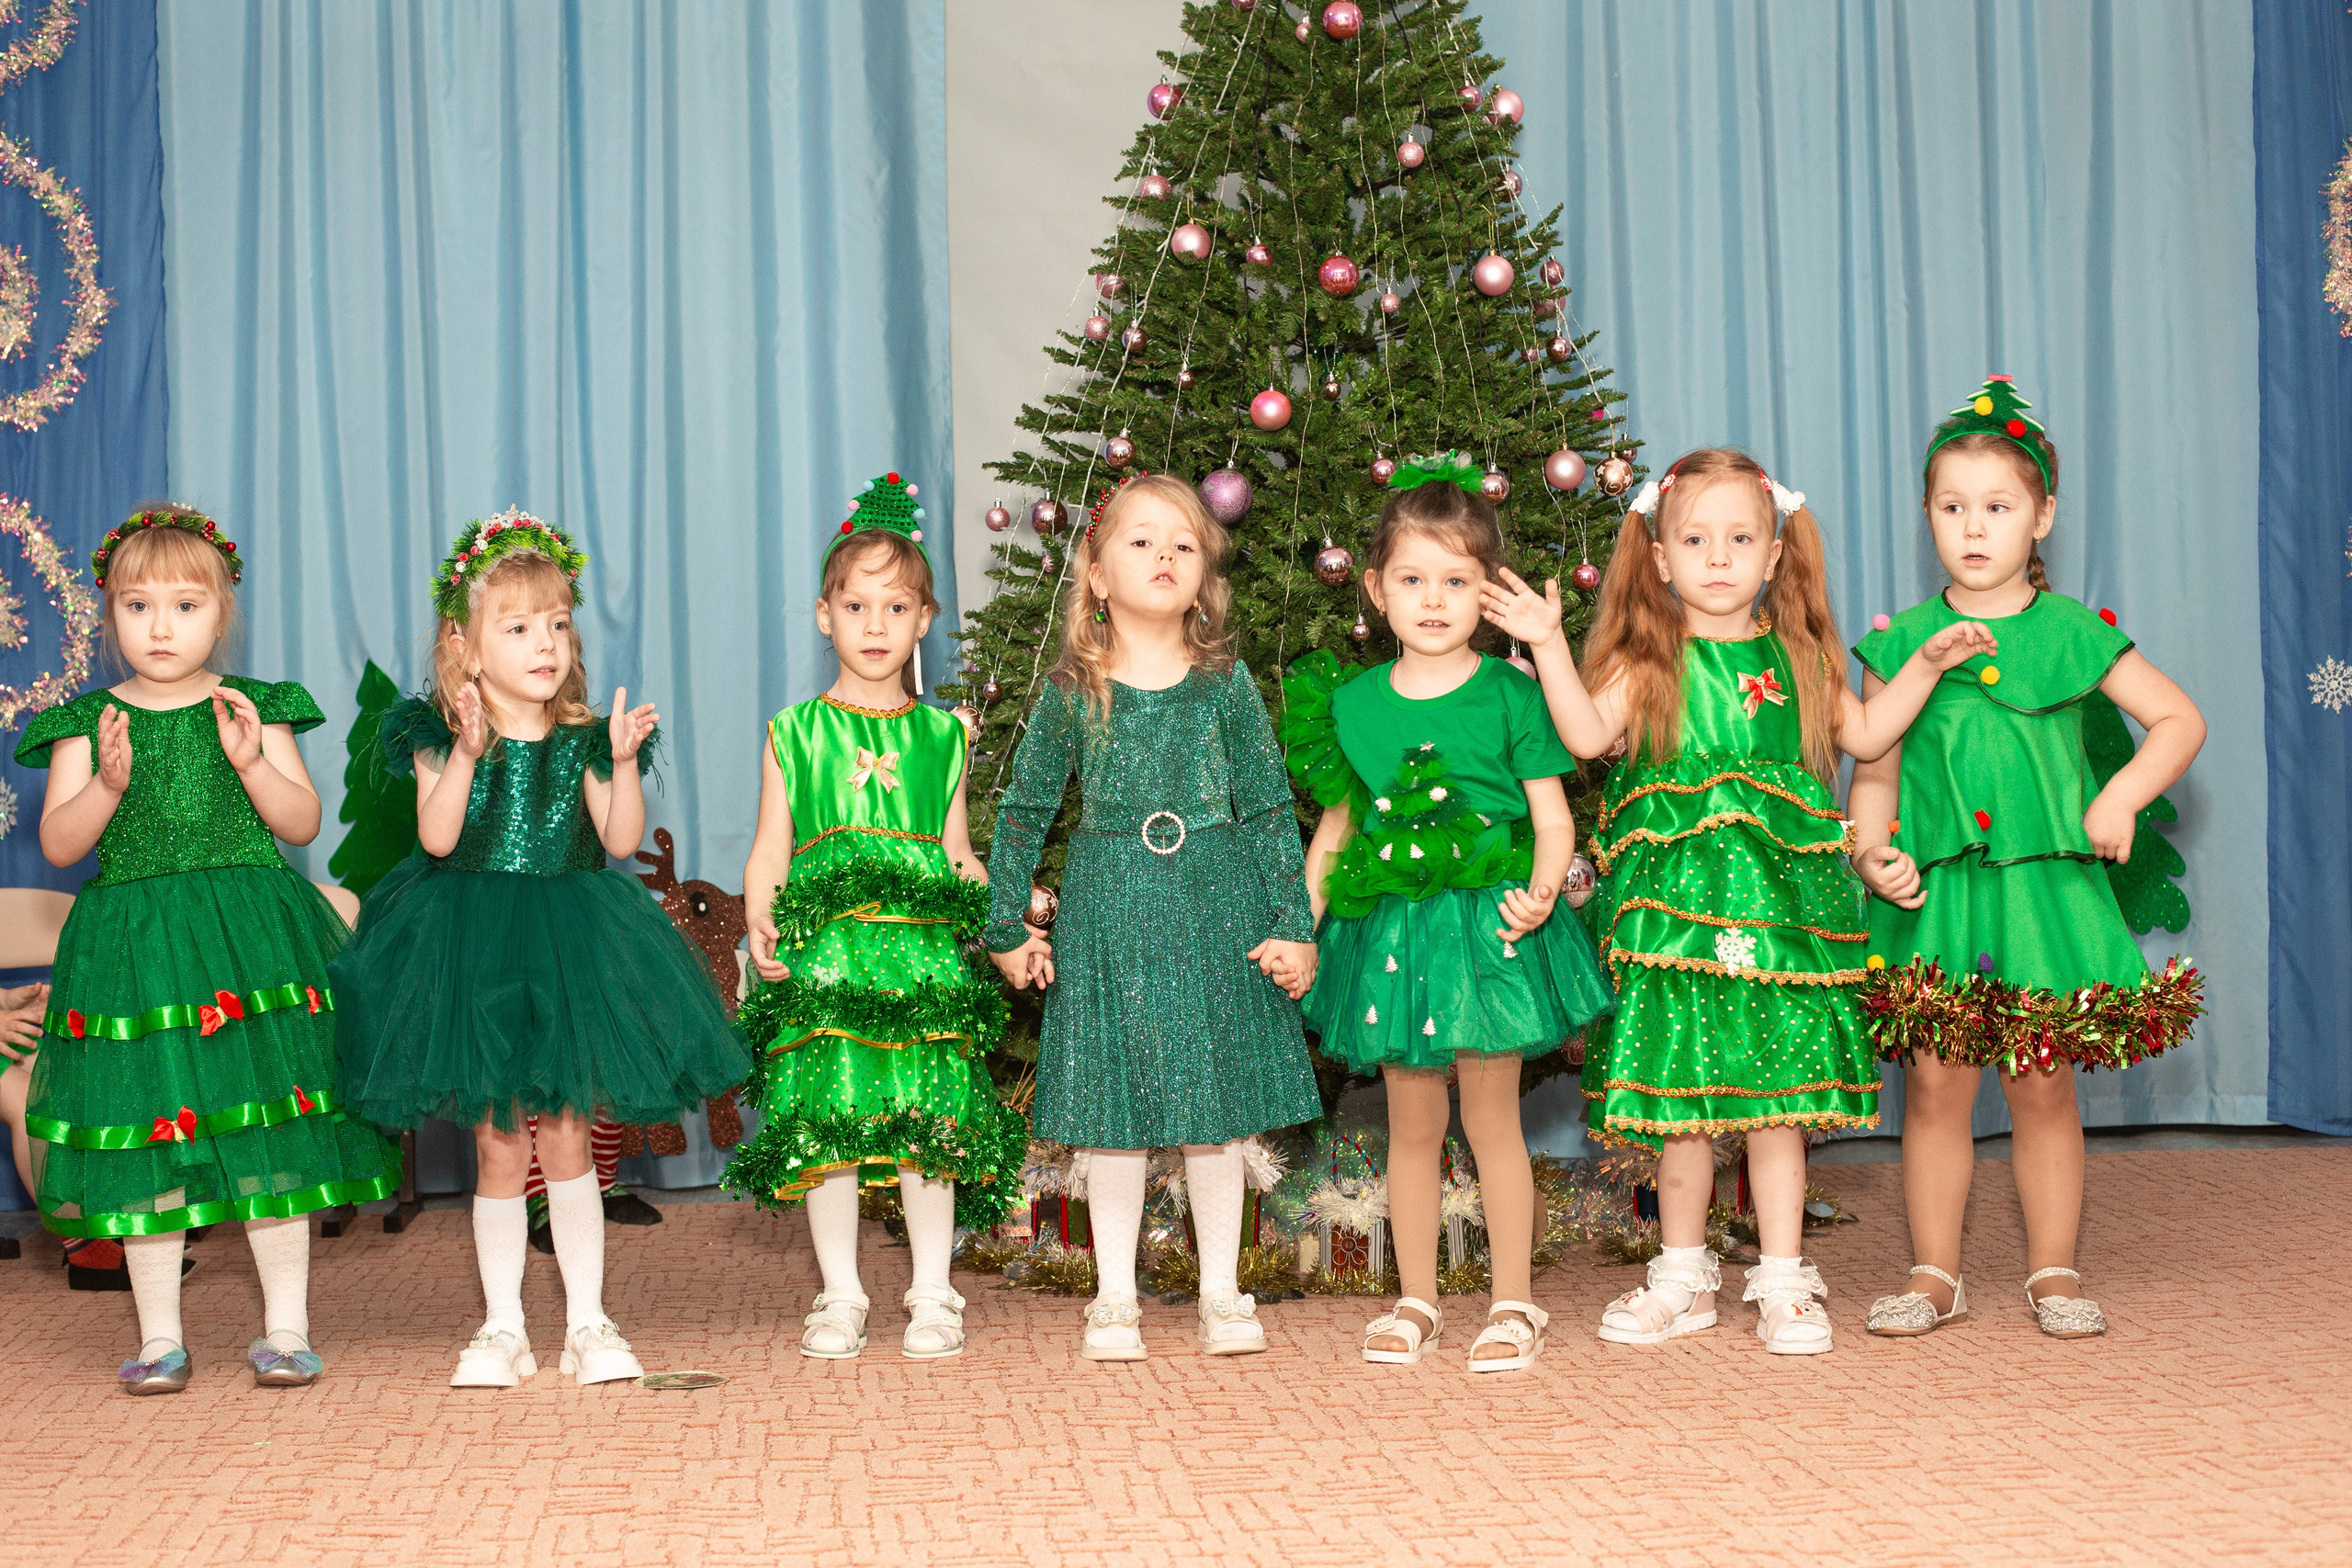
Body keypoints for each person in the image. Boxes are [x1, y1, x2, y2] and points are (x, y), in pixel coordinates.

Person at [1485, 448, 1992, 1354]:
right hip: (1674, 923)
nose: (1717, 557)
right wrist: (1548, 642)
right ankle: (1682, 1275)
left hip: (1778, 920)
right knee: (1682, 1106)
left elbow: (1870, 731)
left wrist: (1928, 662)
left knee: (1771, 1104)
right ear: (1660, 557)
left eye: (1739, 538)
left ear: (1772, 556)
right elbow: (1583, 733)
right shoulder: (1647, 661)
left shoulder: (1796, 658)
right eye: (1694, 539)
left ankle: (1785, 1280)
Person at [332, 509, 748, 1388]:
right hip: (472, 950)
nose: (545, 643)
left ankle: (590, 1322)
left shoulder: (585, 740)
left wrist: (626, 762)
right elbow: (439, 839)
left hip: (569, 943)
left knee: (566, 1133)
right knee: (496, 1145)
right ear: (468, 647)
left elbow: (622, 836)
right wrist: (469, 757)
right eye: (518, 627)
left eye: (557, 624)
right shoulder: (439, 737)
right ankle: (502, 1326)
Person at [1851, 378, 2205, 1340]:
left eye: (1997, 508)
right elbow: (1873, 771)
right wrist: (1871, 845)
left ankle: (2052, 1270)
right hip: (1943, 897)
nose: (1973, 528)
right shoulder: (1905, 644)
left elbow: (2178, 720)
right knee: (1932, 1081)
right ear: (1926, 515)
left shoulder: (2074, 634)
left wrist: (2119, 793)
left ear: (2040, 515)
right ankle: (1934, 1273)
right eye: (1952, 508)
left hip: (2042, 895)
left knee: (2042, 1078)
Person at [14, 506, 396, 1393]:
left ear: (222, 615)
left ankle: (288, 1327)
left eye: (185, 606)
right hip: (135, 949)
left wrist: (255, 761)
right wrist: (109, 785)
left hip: (247, 942)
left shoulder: (253, 707)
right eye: (137, 606)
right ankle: (158, 1337)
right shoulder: (88, 720)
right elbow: (63, 843)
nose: (160, 625)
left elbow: (299, 820)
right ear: (109, 616)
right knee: (151, 1128)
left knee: (270, 1121)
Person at [1282, 457, 1614, 1371]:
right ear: (1378, 589)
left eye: (1457, 581)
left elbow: (1554, 818)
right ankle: (1417, 1298)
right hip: (1390, 936)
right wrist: (1300, 925)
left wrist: (1544, 891)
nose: (1434, 600)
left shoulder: (1510, 693)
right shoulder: (1351, 706)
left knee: (1492, 1119)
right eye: (1414, 580)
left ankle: (1514, 1302)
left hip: (1487, 929)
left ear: (1487, 592)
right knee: (1412, 1126)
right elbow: (1338, 834)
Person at [986, 473, 1320, 1362]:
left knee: (1214, 1112)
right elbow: (1022, 811)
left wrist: (1293, 924)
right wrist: (1006, 928)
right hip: (1108, 913)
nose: (1164, 555)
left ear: (1204, 572)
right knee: (1114, 1111)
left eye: (1181, 542)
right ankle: (1115, 1297)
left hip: (1217, 906)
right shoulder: (1073, 689)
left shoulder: (1223, 684)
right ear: (1096, 574)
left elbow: (1264, 805)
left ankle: (1221, 1289)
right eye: (1140, 541)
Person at [722, 470, 1025, 1360]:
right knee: (834, 1125)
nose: (875, 627)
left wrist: (999, 914)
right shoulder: (794, 731)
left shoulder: (946, 736)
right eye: (857, 608)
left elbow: (957, 848)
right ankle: (842, 1292)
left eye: (896, 609)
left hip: (920, 959)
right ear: (825, 615)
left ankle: (933, 1291)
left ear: (925, 619)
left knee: (929, 1120)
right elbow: (771, 846)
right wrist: (759, 917)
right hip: (828, 958)